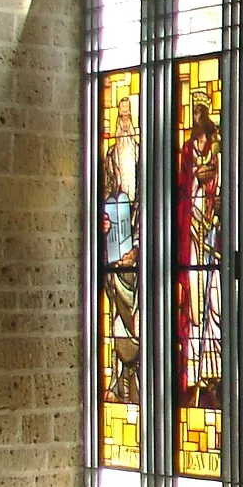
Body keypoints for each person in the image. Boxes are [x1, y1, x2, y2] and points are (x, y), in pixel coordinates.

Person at [175, 89, 222, 408]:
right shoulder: (188, 149)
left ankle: (214, 373)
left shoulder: (216, 149)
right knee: (194, 304)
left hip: (212, 232)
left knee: (214, 299)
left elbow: (221, 184)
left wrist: (212, 179)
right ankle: (193, 375)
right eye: (193, 112)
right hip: (192, 230)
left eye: (201, 112)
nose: (197, 117)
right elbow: (183, 185)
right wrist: (196, 179)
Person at [100, 91, 140, 403]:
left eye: (128, 117)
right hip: (114, 258)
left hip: (138, 255)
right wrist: (103, 224)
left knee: (139, 318)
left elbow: (152, 208)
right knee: (115, 318)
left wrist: (137, 247)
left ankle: (139, 381)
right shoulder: (109, 159)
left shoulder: (141, 157)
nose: (123, 122)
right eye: (120, 116)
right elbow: (102, 202)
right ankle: (116, 380)